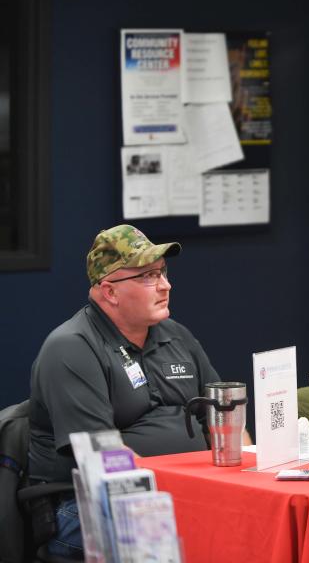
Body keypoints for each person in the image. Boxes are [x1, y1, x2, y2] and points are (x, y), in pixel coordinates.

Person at [28, 224, 249, 559]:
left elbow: (224, 416)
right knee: (208, 533)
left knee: (257, 521)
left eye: (162, 272)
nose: (165, 286)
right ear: (110, 292)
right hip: (87, 506)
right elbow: (104, 461)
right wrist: (187, 496)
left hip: (184, 491)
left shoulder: (175, 335)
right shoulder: (72, 348)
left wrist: (245, 478)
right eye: (147, 276)